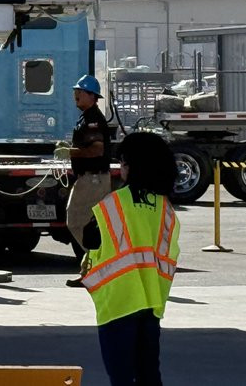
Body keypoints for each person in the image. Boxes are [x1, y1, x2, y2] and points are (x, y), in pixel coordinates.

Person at [81, 131, 180, 385]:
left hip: (119, 302)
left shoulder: (115, 202)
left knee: (122, 377)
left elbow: (90, 238)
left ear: (133, 166)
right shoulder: (165, 208)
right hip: (151, 303)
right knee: (149, 376)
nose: (121, 168)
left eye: (123, 162)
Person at [64, 74, 113, 288]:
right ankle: (90, 270)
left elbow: (96, 150)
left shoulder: (93, 119)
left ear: (92, 96)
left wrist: (70, 152)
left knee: (78, 222)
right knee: (84, 224)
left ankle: (100, 264)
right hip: (89, 179)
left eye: (80, 91)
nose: (76, 94)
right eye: (75, 91)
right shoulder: (86, 117)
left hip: (93, 179)